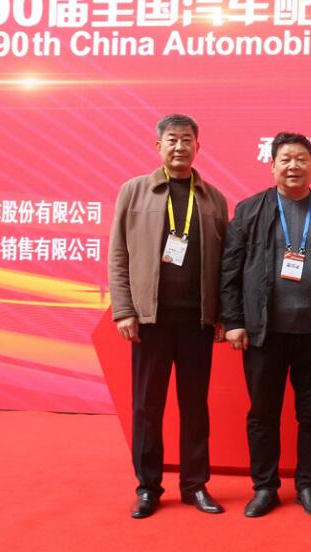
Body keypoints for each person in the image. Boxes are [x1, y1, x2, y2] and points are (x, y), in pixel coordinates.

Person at [108, 114, 228, 518]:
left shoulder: (213, 198)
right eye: (172, 140)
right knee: (147, 407)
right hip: (150, 321)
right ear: (158, 146)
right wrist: (124, 310)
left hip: (196, 322)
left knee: (195, 407)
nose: (180, 147)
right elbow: (118, 254)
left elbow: (224, 262)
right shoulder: (134, 191)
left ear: (198, 146)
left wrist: (220, 314)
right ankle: (148, 488)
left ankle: (195, 486)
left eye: (187, 140)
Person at [219, 132, 311, 518]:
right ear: (272, 166)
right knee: (263, 413)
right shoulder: (249, 211)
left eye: (301, 159)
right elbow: (230, 269)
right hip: (264, 332)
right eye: (285, 159)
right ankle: (265, 487)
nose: (293, 166)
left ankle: (308, 486)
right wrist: (234, 321)